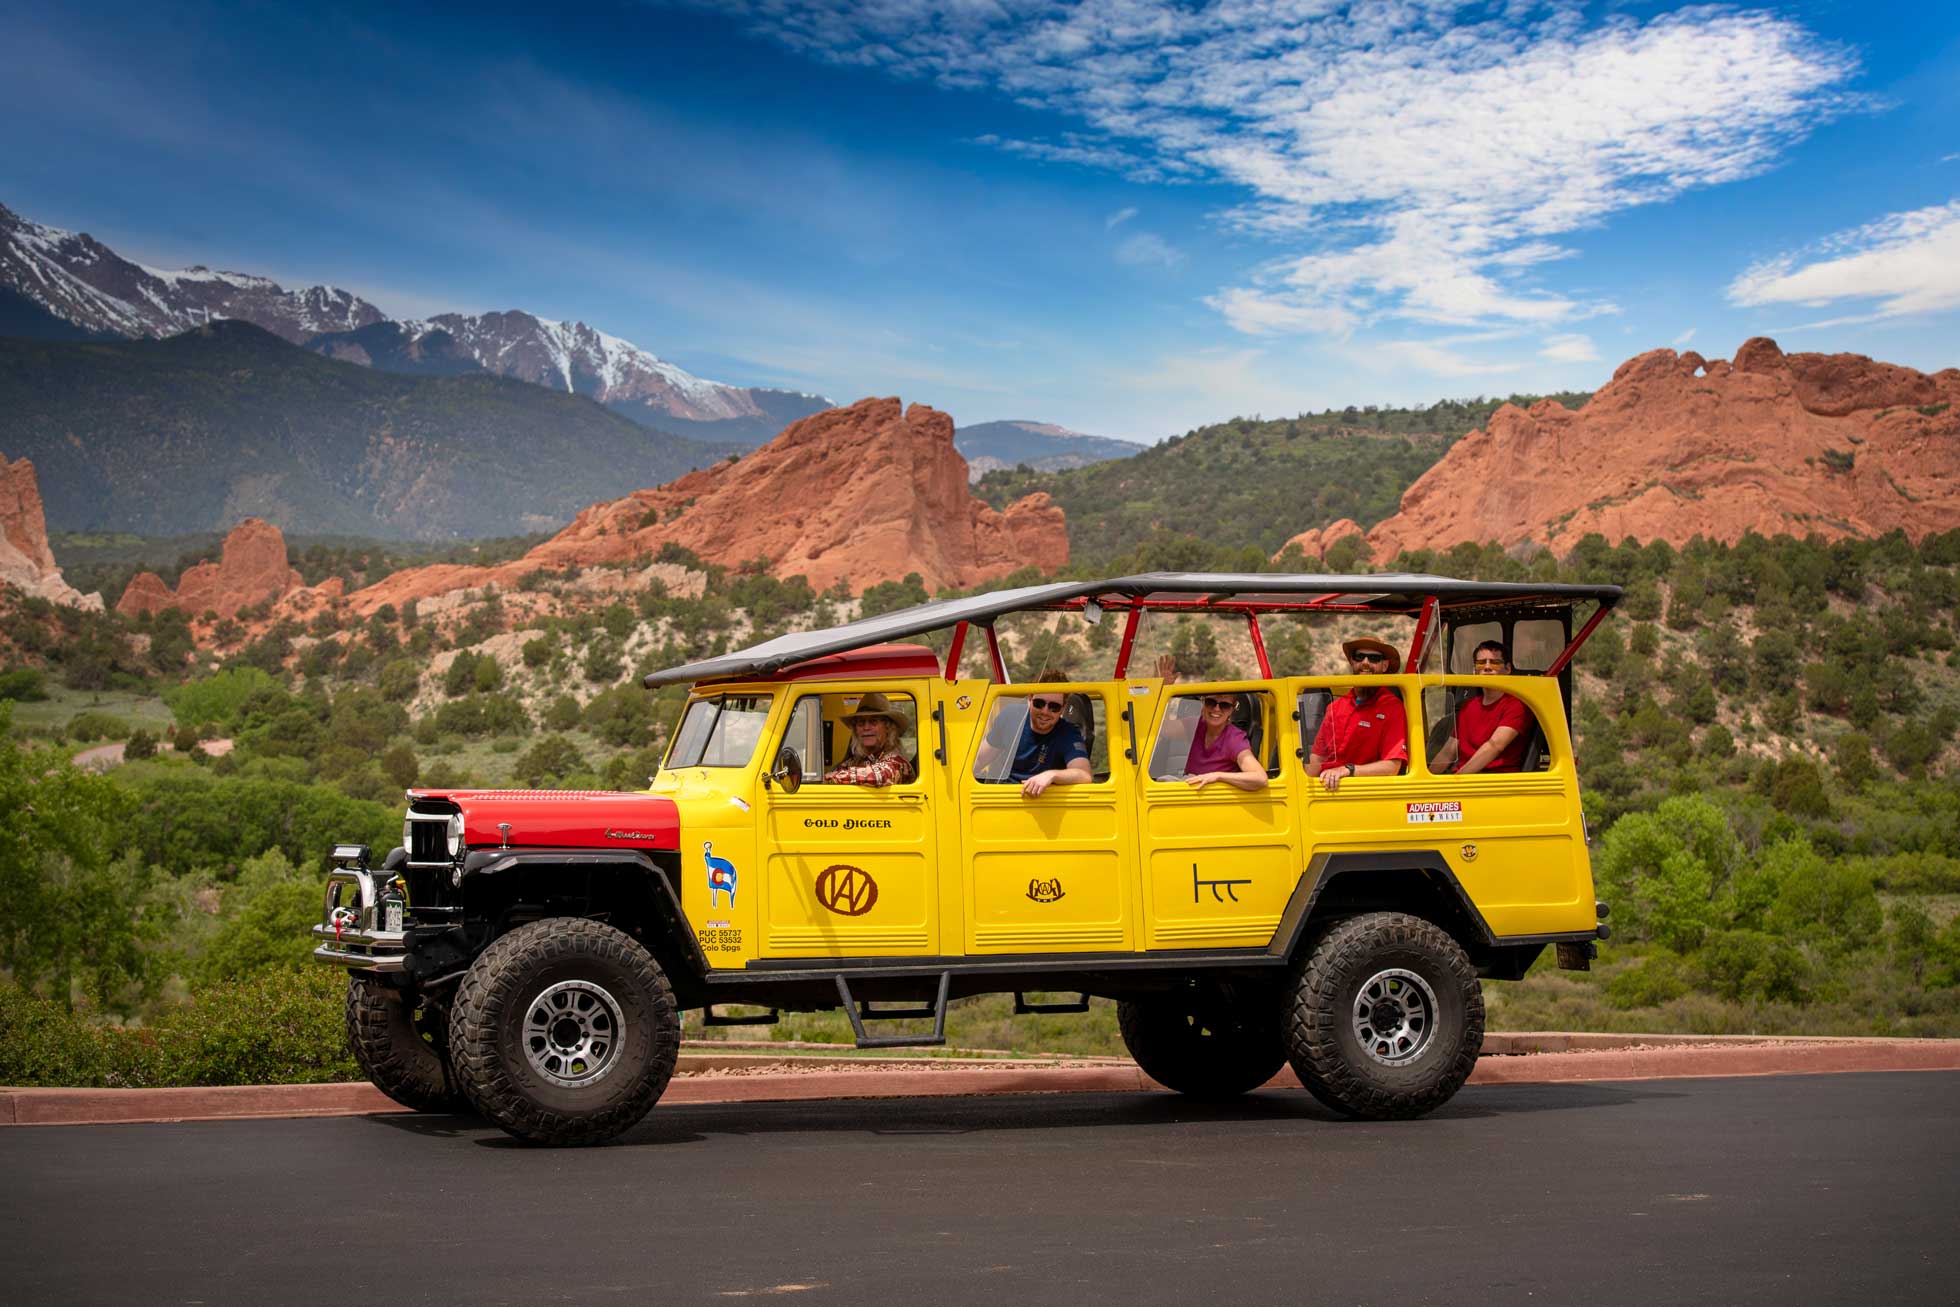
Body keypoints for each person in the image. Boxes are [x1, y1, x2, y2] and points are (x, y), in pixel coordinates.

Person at [1308, 635, 1409, 792]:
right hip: (1325, 790)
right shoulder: (1335, 707)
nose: (1365, 663)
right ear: (1352, 662)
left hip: (1365, 794)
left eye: (1374, 658)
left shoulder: (1392, 707)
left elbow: (1392, 766)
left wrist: (1348, 770)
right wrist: (1303, 784)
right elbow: (1318, 758)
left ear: (1384, 666)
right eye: (1359, 657)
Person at [1431, 640, 1529, 774]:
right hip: (1464, 781)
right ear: (1475, 670)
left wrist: (1457, 781)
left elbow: (1495, 746)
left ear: (1507, 669)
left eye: (1494, 662)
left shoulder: (1516, 705)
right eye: (1481, 663)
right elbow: (1448, 751)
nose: (1487, 667)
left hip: (1495, 782)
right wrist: (1427, 779)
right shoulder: (1468, 707)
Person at [976, 691, 1093, 797]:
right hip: (1004, 794)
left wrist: (1051, 775)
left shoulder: (1068, 733)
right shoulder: (1011, 717)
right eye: (1039, 703)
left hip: (1041, 798)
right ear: (1030, 700)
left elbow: (1084, 775)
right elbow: (980, 760)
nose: (1045, 711)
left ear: (1062, 708)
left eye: (1054, 707)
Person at [1178, 691, 1268, 791]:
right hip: (1187, 790)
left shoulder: (1234, 739)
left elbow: (1260, 778)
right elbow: (1161, 728)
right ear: (1203, 703)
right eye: (1210, 702)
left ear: (1232, 709)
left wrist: (1218, 776)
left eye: (1225, 705)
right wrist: (1160, 690)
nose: (1216, 709)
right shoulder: (1195, 725)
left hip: (1215, 798)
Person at [821, 692, 916, 787]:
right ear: (855, 730)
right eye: (861, 722)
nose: (866, 727)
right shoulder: (854, 761)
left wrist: (831, 777)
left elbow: (880, 776)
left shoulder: (897, 761)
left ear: (887, 727)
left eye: (873, 721)